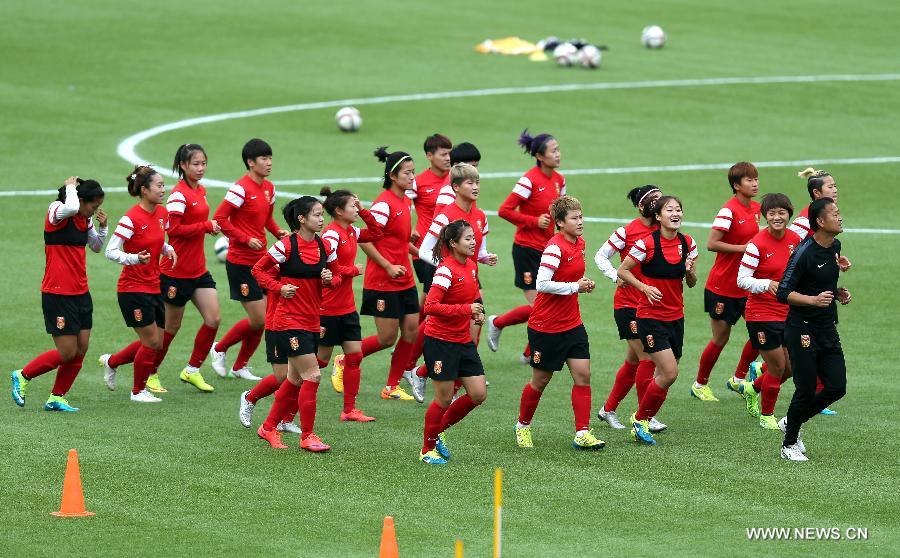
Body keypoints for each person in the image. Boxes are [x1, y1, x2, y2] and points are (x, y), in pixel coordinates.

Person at [252, 196, 343, 451]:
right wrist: (279, 288)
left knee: (295, 380)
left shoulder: (326, 246)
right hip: (288, 321)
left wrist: (329, 279)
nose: (321, 219)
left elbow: (338, 275)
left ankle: (268, 428)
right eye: (316, 215)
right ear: (301, 219)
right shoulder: (285, 247)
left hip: (312, 320)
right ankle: (308, 436)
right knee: (312, 375)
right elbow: (258, 271)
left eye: (321, 215)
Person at [514, 196, 605, 451]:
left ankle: (582, 432)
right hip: (546, 327)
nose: (580, 222)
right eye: (574, 218)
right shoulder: (554, 248)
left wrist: (582, 282)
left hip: (572, 324)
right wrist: (575, 286)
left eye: (581, 216)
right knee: (540, 381)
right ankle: (522, 425)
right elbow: (541, 284)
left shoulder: (580, 243)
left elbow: (570, 275)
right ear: (560, 223)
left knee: (583, 375)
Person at [11, 177, 106, 412]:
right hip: (57, 293)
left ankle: (57, 397)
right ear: (81, 199)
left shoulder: (84, 219)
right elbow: (71, 207)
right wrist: (71, 187)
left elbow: (95, 246)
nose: (93, 211)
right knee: (67, 352)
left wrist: (102, 227)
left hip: (81, 292)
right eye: (93, 206)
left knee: (81, 348)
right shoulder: (56, 211)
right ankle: (23, 375)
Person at [409, 163, 497, 401]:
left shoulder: (480, 217)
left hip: (470, 282)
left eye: (477, 182)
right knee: (446, 333)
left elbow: (479, 250)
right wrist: (447, 268)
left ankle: (431, 375)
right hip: (448, 283)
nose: (475, 187)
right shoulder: (445, 216)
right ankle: (424, 373)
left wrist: (485, 258)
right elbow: (423, 250)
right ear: (456, 187)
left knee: (472, 335)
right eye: (470, 183)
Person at [618, 196, 699, 445]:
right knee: (670, 372)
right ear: (659, 216)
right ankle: (640, 419)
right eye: (669, 210)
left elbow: (692, 283)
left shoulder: (688, 243)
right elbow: (623, 270)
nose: (675, 213)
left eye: (678, 209)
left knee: (668, 374)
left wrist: (689, 271)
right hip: (650, 317)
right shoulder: (646, 244)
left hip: (676, 317)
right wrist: (644, 288)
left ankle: (644, 417)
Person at [775, 198, 851, 461]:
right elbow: (783, 293)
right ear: (820, 221)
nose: (840, 217)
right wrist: (813, 300)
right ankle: (788, 444)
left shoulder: (835, 246)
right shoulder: (803, 253)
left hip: (826, 327)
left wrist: (837, 292)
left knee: (836, 387)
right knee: (806, 388)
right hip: (802, 329)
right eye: (835, 214)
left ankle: (792, 421)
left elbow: (824, 282)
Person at [210, 138, 288, 381]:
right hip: (241, 262)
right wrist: (244, 239)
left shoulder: (269, 188)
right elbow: (220, 219)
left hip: (262, 261)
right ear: (250, 162)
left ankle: (240, 366)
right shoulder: (239, 189)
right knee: (260, 318)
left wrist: (278, 233)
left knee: (264, 319)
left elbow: (266, 220)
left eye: (270, 158)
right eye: (264, 159)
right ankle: (219, 348)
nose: (269, 162)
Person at [593, 185, 666, 432]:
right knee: (648, 356)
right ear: (641, 206)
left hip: (651, 305)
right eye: (653, 199)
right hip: (628, 305)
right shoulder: (627, 231)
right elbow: (601, 256)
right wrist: (615, 276)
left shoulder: (663, 230)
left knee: (633, 361)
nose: (659, 202)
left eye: (660, 197)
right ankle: (644, 415)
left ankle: (608, 409)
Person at [489, 130, 565, 362]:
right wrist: (533, 221)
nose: (558, 154)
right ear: (540, 156)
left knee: (552, 305)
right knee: (539, 307)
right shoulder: (529, 180)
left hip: (548, 250)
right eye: (553, 151)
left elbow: (561, 214)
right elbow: (504, 210)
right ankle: (497, 322)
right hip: (527, 250)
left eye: (558, 149)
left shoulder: (559, 180)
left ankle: (528, 353)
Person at [102, 166, 176, 403]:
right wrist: (134, 258)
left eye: (164, 185)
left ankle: (112, 362)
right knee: (152, 341)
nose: (163, 190)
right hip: (132, 289)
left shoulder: (163, 214)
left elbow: (157, 240)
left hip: (154, 285)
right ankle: (137, 391)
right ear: (144, 190)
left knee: (156, 340)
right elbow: (111, 251)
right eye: (159, 186)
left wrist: (167, 248)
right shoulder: (130, 218)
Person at [419, 220, 488, 464]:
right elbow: (430, 306)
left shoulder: (470, 265)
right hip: (440, 342)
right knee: (444, 399)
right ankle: (427, 450)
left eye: (473, 237)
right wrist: (466, 309)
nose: (473, 242)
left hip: (462, 341)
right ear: (453, 243)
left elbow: (472, 295)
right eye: (468, 239)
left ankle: (437, 433)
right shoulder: (445, 270)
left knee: (478, 394)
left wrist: (477, 311)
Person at [692, 162, 760, 402]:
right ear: (736, 185)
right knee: (721, 338)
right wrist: (745, 249)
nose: (755, 183)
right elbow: (712, 243)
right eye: (749, 179)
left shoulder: (757, 209)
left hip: (747, 286)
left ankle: (738, 378)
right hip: (723, 287)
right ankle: (700, 384)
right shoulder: (728, 211)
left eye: (756, 179)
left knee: (762, 332)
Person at [154, 143, 220, 393]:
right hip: (175, 271)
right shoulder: (179, 195)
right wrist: (205, 226)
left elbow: (196, 224)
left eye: (203, 163)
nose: (201, 168)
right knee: (170, 328)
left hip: (198, 270)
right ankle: (150, 373)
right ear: (183, 166)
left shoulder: (200, 190)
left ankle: (192, 370)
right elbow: (173, 230)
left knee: (213, 319)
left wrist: (209, 227)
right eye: (195, 164)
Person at [357, 147, 420, 401]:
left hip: (404, 278)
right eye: (407, 172)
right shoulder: (384, 204)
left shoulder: (405, 201)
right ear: (393, 176)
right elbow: (365, 239)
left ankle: (391, 386)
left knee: (411, 332)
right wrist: (387, 266)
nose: (412, 176)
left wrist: (415, 246)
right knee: (386, 338)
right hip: (383, 281)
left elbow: (397, 240)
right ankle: (345, 359)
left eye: (414, 172)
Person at [788, 168, 850, 415]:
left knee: (802, 359)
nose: (835, 190)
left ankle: (817, 394)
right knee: (789, 360)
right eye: (830, 187)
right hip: (801, 299)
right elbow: (794, 256)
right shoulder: (806, 221)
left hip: (821, 301)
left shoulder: (832, 232)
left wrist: (835, 264)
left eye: (835, 186)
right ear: (816, 193)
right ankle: (757, 380)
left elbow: (822, 254)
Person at [736, 193, 801, 429]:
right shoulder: (756, 244)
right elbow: (742, 280)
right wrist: (766, 284)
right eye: (771, 213)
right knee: (777, 366)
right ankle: (767, 416)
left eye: (781, 212)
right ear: (765, 216)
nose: (776, 217)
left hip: (788, 312)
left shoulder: (796, 239)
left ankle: (752, 388)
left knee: (791, 368)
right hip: (761, 314)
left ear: (788, 214)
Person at [318, 187, 382, 422]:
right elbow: (321, 268)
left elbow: (376, 233)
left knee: (354, 356)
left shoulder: (352, 231)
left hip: (347, 308)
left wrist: (364, 210)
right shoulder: (331, 235)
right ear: (338, 210)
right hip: (327, 309)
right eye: (353, 206)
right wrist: (352, 270)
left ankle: (349, 410)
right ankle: (287, 393)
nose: (356, 209)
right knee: (318, 363)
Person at [407, 134, 452, 303]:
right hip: (425, 251)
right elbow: (402, 203)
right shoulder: (418, 182)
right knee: (434, 301)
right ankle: (414, 329)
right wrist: (409, 228)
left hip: (451, 248)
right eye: (443, 154)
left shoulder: (455, 179)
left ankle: (414, 328)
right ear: (429, 156)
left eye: (449, 153)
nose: (448, 158)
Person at [434, 142, 482, 209]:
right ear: (456, 165)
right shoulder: (448, 192)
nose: (474, 170)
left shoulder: (467, 186)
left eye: (476, 166)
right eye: (471, 166)